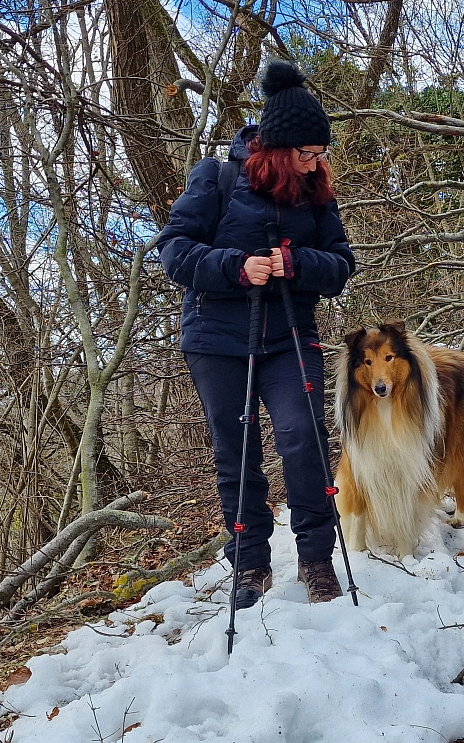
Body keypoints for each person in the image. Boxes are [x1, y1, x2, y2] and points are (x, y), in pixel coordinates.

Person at [157, 60, 355, 608]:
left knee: (303, 437)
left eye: (321, 154)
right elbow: (174, 250)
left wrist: (299, 264)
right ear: (278, 150)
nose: (318, 163)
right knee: (236, 450)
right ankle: (250, 566)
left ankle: (316, 561)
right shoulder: (216, 177)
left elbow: (340, 265)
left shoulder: (317, 196)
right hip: (216, 339)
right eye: (307, 154)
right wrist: (236, 268)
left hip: (289, 335)